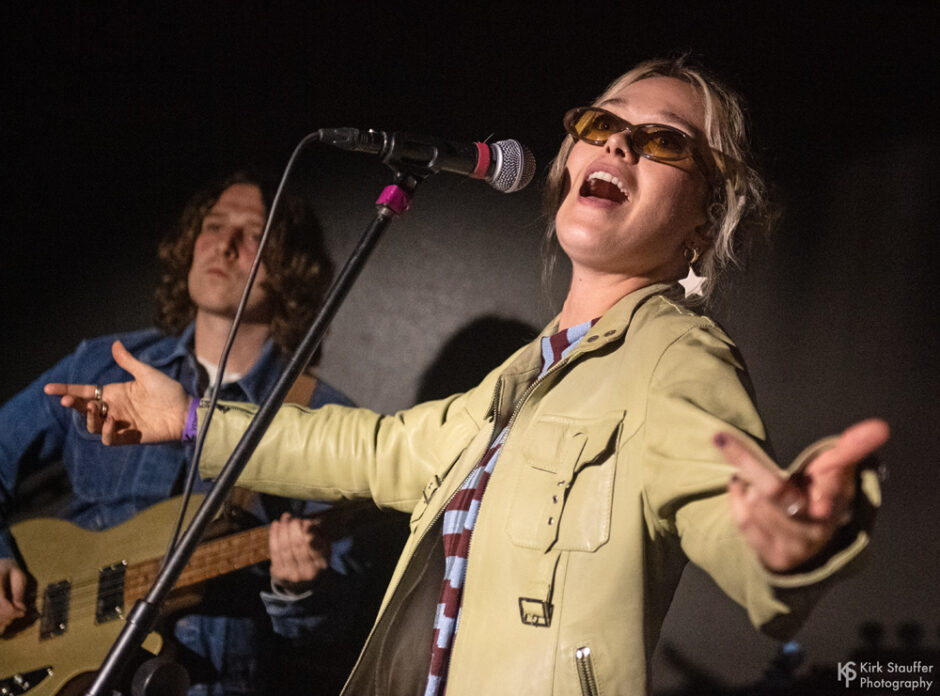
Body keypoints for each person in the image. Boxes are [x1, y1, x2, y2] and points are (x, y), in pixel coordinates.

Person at [46, 59, 889, 696]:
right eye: (601, 123)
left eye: (664, 140)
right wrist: (192, 419)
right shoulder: (524, 376)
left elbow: (734, 505)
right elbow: (373, 448)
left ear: (705, 218)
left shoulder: (675, 357)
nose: (618, 142)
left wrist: (791, 540)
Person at [1, 170, 403, 695]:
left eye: (254, 234)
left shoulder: (320, 415)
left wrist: (300, 587)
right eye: (213, 226)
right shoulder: (105, 365)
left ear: (291, 267)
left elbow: (333, 627)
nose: (225, 245)